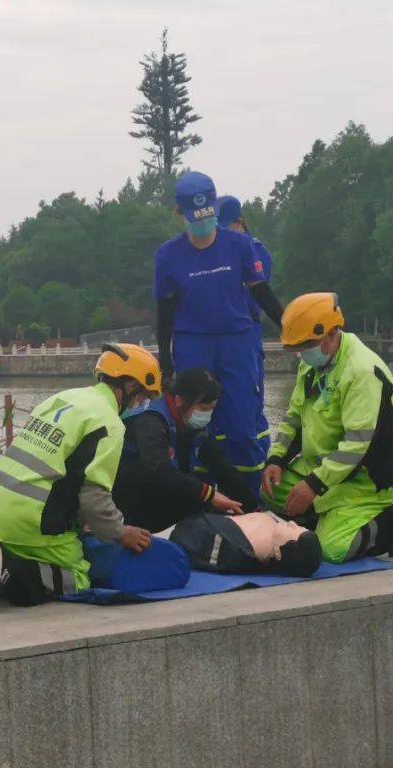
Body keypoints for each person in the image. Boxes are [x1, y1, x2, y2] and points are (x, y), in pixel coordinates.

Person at [0, 344, 189, 613]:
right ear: (130, 385)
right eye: (142, 396)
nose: (140, 405)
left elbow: (58, 471)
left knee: (25, 554)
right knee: (76, 577)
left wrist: (81, 522)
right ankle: (9, 571)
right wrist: (121, 532)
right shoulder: (110, 424)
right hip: (29, 522)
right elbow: (94, 498)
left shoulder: (64, 398)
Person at [260, 292, 393, 563]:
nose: (301, 353)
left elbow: (357, 445)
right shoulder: (312, 364)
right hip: (321, 469)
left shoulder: (361, 372)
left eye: (306, 345)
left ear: (332, 333)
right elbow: (295, 417)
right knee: (269, 491)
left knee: (331, 549)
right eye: (297, 347)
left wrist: (313, 485)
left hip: (365, 479)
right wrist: (277, 459)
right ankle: (323, 515)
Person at [155, 172, 284, 501]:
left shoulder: (240, 245)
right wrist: (165, 363)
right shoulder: (168, 255)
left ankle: (249, 498)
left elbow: (262, 292)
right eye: (195, 218)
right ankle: (198, 496)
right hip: (192, 344)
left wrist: (290, 326)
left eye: (207, 215)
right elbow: (164, 314)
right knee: (194, 423)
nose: (203, 224)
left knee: (241, 422)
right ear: (181, 214)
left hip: (237, 341)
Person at [112, 367, 258, 533]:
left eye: (212, 408)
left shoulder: (190, 420)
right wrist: (208, 494)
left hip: (163, 485)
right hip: (132, 494)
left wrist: (253, 509)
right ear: (179, 400)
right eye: (203, 408)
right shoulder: (151, 420)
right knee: (200, 503)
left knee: (208, 505)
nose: (206, 414)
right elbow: (157, 468)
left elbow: (221, 466)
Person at [216, 194, 276, 460]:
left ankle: (258, 464)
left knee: (247, 404)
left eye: (227, 227)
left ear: (240, 223)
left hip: (245, 334)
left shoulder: (256, 251)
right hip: (217, 337)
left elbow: (253, 293)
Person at [169, 510, 323, 578]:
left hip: (197, 526)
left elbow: (183, 537)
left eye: (294, 530)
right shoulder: (273, 528)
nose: (292, 523)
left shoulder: (232, 549)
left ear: (279, 552)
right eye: (299, 527)